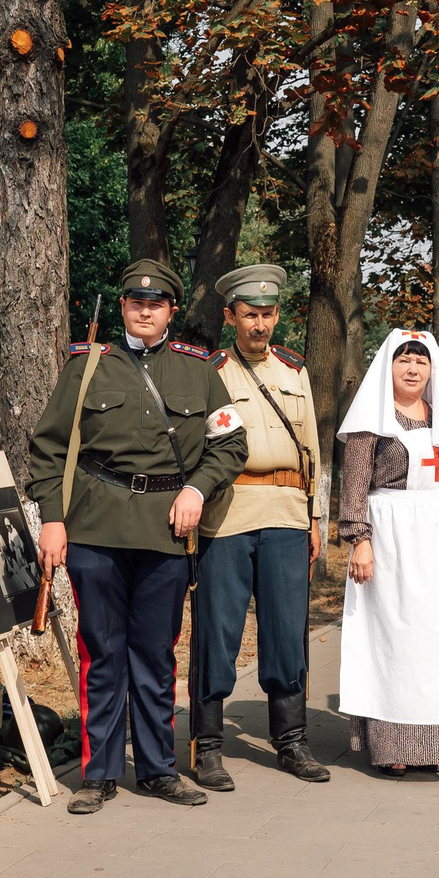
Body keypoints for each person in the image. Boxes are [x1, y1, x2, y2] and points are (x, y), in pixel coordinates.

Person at [25, 259, 251, 814]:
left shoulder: (199, 372)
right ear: (123, 306)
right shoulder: (87, 366)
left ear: (171, 311)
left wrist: (197, 490)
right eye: (134, 301)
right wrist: (52, 519)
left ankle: (155, 769)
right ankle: (98, 773)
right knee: (101, 654)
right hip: (95, 527)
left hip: (165, 530)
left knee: (154, 654)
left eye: (155, 303)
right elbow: (49, 448)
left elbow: (231, 445)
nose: (144, 309)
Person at [189, 263, 330, 788]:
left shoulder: (294, 372)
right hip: (228, 514)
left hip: (288, 515)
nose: (259, 324)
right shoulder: (212, 372)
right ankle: (208, 749)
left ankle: (292, 742)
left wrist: (315, 516)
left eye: (267, 315)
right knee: (217, 632)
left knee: (287, 630)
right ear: (230, 316)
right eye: (249, 315)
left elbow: (311, 448)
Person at [335, 330, 439, 775]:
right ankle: (390, 747)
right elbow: (355, 484)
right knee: (391, 637)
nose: (413, 369)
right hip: (388, 534)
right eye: (403, 361)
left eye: (421, 361)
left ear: (433, 370)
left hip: (435, 533)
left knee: (435, 637)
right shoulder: (372, 419)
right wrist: (360, 539)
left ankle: (431, 746)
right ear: (388, 368)